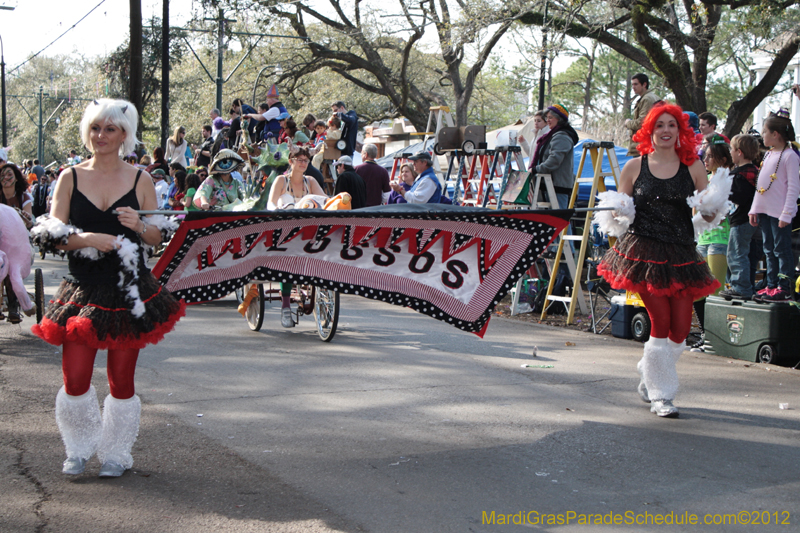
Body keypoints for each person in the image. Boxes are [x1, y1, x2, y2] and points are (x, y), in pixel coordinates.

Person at [30, 98, 184, 478]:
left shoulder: (141, 179)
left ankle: (116, 453)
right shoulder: (69, 177)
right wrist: (86, 239)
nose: (101, 136)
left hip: (128, 290)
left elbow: (155, 236)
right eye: (96, 128)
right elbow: (50, 237)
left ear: (124, 135)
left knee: (122, 380)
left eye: (110, 129)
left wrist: (137, 224)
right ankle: (79, 447)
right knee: (76, 378)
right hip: (81, 289)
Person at [595, 103, 723, 418]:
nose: (666, 131)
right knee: (661, 322)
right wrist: (617, 211)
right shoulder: (634, 166)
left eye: (672, 126)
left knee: (681, 328)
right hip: (644, 253)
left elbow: (706, 209)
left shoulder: (693, 167)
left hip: (680, 253)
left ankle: (649, 371)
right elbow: (618, 208)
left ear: (680, 132)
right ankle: (661, 395)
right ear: (650, 132)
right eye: (660, 125)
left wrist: (709, 210)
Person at [267, 148, 328, 327]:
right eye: (299, 159)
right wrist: (276, 211)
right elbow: (271, 202)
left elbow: (325, 200)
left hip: (309, 229)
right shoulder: (281, 180)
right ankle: (286, 306)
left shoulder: (311, 181)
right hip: (286, 229)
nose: (303, 163)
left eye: (306, 160)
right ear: (291, 161)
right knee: (287, 262)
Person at [749, 109, 800, 302]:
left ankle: (784, 286)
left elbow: (794, 187)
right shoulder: (769, 155)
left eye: (765, 132)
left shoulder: (790, 156)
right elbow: (760, 185)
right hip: (765, 211)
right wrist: (754, 209)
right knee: (768, 249)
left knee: (781, 249)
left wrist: (787, 213)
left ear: (775, 134)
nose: (763, 136)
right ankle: (770, 285)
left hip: (779, 213)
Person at [690, 134, 733, 351]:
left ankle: (715, 339)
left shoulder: (728, 180)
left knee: (713, 291)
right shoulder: (704, 178)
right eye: (704, 156)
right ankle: (706, 335)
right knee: (697, 289)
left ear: (723, 159)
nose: (705, 160)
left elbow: (723, 214)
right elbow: (697, 209)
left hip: (719, 240)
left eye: (710, 156)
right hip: (701, 240)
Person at [719, 134, 760, 301]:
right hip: (753, 220)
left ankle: (740, 287)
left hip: (741, 220)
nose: (730, 153)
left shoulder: (738, 175)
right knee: (746, 255)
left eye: (732, 150)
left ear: (740, 152)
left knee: (736, 254)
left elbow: (740, 198)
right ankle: (744, 285)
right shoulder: (756, 172)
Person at [531, 104, 579, 212]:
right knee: (552, 221)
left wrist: (536, 169)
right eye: (547, 118)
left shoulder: (562, 136)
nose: (547, 120)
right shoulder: (552, 135)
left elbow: (554, 160)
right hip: (549, 184)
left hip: (557, 185)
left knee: (560, 221)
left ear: (559, 119)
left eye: (550, 118)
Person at [625, 73, 661, 156]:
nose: (633, 87)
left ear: (644, 84)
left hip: (643, 146)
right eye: (632, 84)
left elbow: (641, 122)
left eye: (636, 84)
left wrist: (627, 123)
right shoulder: (653, 97)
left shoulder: (647, 99)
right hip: (649, 145)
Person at [0, 163, 34, 229]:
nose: (6, 177)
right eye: (2, 175)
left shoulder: (24, 198)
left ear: (16, 178)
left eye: (9, 175)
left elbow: (29, 224)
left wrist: (26, 218)